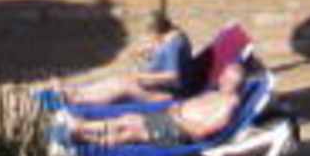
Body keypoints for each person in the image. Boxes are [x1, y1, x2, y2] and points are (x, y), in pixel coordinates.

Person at [67, 57, 249, 149]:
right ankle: (82, 134)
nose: (222, 79)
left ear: (236, 83)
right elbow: (191, 104)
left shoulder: (228, 105)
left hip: (181, 132)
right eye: (224, 76)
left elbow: (202, 131)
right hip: (174, 121)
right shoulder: (217, 94)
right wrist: (177, 108)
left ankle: (81, 127)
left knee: (131, 125)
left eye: (227, 79)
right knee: (130, 128)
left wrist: (178, 118)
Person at [58, 12, 193, 107]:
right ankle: (75, 92)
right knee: (116, 80)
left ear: (157, 32)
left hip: (166, 94)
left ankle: (75, 100)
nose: (148, 39)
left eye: (150, 35)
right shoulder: (171, 36)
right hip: (154, 85)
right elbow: (163, 55)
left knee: (122, 87)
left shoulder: (173, 45)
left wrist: (141, 76)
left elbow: (173, 76)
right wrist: (150, 52)